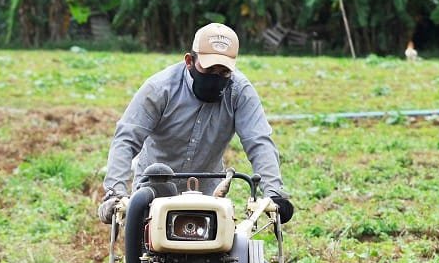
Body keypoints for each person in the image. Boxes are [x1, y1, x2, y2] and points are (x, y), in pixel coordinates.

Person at [97, 23, 294, 224]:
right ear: (189, 61)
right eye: (209, 69)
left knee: (220, 250)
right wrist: (115, 192)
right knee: (146, 249)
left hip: (208, 193)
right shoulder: (160, 88)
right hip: (154, 188)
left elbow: (258, 141)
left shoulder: (239, 92)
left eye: (223, 71)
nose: (216, 77)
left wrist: (273, 193)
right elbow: (126, 138)